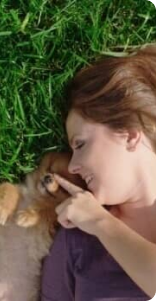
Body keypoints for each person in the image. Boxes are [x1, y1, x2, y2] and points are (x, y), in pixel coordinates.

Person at [41, 44, 156, 300]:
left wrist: (101, 223)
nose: (72, 166)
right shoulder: (77, 240)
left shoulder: (92, 224)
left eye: (80, 144)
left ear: (128, 133)